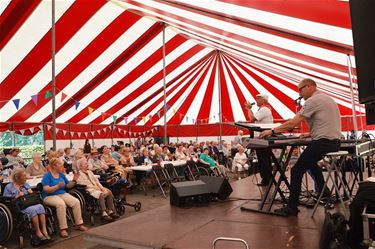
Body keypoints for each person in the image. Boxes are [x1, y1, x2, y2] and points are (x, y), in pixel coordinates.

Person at [260, 78, 342, 216]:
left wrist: (272, 131)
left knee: (296, 170)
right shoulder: (327, 99)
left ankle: (292, 207)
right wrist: (311, 133)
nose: (299, 93)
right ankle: (324, 193)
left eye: (300, 89)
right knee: (310, 164)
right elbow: (328, 123)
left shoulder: (312, 101)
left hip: (323, 142)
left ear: (310, 86)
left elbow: (292, 124)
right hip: (334, 142)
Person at [41, 158, 87, 237]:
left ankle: (79, 224)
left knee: (76, 201)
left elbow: (68, 186)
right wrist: (57, 186)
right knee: (61, 204)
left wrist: (74, 180)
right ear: (54, 166)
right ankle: (63, 229)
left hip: (62, 194)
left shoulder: (61, 174)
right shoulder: (47, 176)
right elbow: (46, 189)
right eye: (59, 164)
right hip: (49, 196)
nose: (62, 165)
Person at [3, 168, 50, 241]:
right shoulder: (9, 187)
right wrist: (17, 196)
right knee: (33, 210)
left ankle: (44, 230)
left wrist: (31, 193)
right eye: (24, 176)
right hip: (20, 206)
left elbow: (32, 196)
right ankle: (38, 231)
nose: (26, 177)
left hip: (30, 203)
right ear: (18, 177)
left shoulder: (26, 184)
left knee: (40, 207)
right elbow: (6, 200)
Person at [245, 93, 274, 186]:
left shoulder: (264, 109)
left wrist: (249, 109)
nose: (256, 100)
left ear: (263, 100)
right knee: (264, 159)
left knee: (263, 160)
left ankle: (266, 179)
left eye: (258, 98)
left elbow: (252, 119)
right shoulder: (264, 109)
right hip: (262, 138)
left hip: (263, 138)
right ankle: (267, 179)